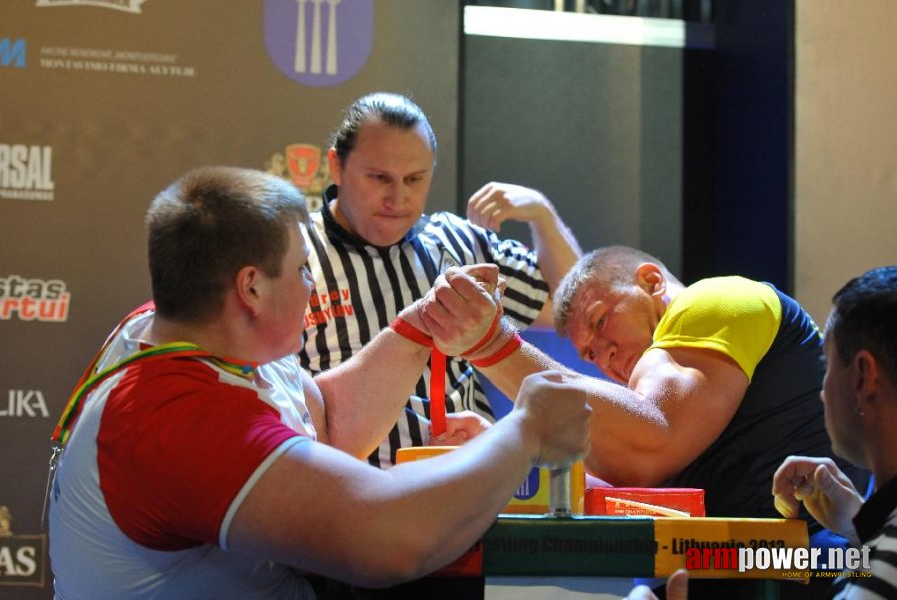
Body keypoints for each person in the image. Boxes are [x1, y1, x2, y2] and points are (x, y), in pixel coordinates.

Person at [46, 166, 592, 599]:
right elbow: (389, 541)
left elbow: (324, 422)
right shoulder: (176, 418)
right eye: (304, 269)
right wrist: (524, 433)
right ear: (251, 289)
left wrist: (420, 324)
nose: (313, 286)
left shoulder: (195, 332)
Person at [470, 245, 870, 598]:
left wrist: (490, 345)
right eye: (590, 356)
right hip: (745, 570)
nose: (605, 357)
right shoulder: (659, 397)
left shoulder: (717, 297)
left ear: (650, 282)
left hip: (815, 566)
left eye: (600, 322)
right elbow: (607, 482)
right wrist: (501, 447)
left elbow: (653, 442)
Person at [300, 92, 581, 467]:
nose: (397, 197)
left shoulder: (459, 241)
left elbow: (574, 309)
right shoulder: (293, 254)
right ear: (336, 165)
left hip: (462, 491)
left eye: (415, 179)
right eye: (379, 177)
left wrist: (542, 215)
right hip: (340, 493)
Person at [773, 266, 897, 598]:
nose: (823, 391)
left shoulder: (878, 580)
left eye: (827, 366)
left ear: (862, 376)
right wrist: (859, 522)